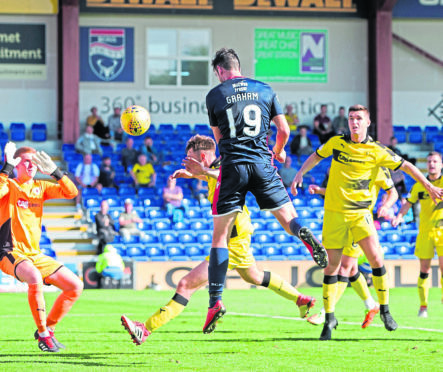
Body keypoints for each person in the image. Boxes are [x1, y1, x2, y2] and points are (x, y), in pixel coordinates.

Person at [121, 134, 316, 345]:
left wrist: (201, 172)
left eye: (190, 159)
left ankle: (145, 329)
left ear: (203, 156)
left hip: (231, 238)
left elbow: (227, 175)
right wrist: (192, 174)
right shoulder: (214, 168)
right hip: (238, 233)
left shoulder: (227, 164)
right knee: (254, 276)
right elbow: (216, 175)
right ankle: (300, 299)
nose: (187, 162)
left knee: (186, 284)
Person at [193, 48, 327, 334]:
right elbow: (284, 130)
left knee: (219, 239)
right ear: (238, 66)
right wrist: (277, 152)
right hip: (262, 163)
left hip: (233, 167)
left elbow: (218, 139)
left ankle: (215, 301)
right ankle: (304, 233)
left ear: (219, 70)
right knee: (289, 218)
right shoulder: (264, 89)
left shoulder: (214, 96)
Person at [291, 104, 443, 340]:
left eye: (359, 118)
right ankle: (329, 318)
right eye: (351, 118)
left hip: (361, 215)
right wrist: (301, 172)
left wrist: (428, 186)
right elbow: (316, 156)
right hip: (334, 214)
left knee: (375, 260)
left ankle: (384, 309)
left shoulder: (377, 153)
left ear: (367, 122)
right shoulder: (336, 143)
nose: (354, 122)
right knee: (334, 267)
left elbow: (406, 169)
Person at [0, 141, 81, 353]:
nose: (31, 166)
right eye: (26, 162)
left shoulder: (41, 187)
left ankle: (49, 328)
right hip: (9, 252)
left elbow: (71, 193)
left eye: (34, 163)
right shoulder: (9, 185)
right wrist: (6, 167)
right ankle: (44, 334)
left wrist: (55, 172)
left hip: (34, 255)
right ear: (17, 166)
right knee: (35, 277)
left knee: (75, 286)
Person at [305, 166, 399, 328]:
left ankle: (325, 312)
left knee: (345, 268)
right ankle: (371, 305)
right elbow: (340, 195)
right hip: (343, 222)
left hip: (360, 223)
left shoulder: (377, 166)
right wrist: (320, 190)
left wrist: (386, 206)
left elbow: (393, 192)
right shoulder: (351, 165)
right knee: (352, 270)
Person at [391, 151, 443, 318]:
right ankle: (423, 306)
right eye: (429, 162)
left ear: (441, 164)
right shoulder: (421, 185)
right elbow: (408, 203)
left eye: (435, 161)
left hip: (442, 232)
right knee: (424, 270)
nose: (432, 164)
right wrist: (399, 216)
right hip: (425, 232)